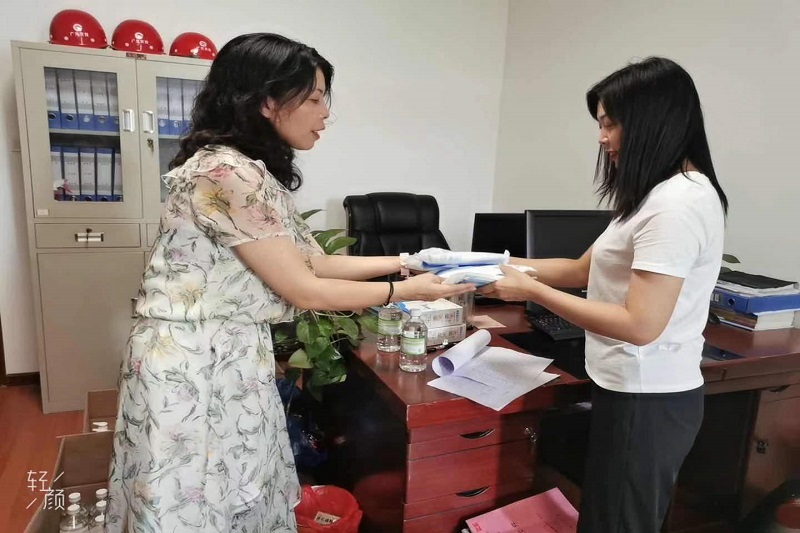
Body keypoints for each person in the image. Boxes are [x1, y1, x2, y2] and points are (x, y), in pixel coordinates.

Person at [105, 33, 474, 533]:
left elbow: (314, 263)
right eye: (315, 98)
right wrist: (406, 290)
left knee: (236, 486)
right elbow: (305, 290)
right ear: (267, 100)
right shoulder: (225, 172)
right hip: (193, 360)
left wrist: (410, 262)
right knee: (193, 499)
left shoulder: (251, 173)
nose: (326, 113)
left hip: (229, 351)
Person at [480, 57, 728, 533]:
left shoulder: (677, 205)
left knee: (618, 522)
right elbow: (580, 269)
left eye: (610, 124)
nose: (601, 138)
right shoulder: (653, 196)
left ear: (651, 121)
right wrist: (492, 264)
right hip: (629, 388)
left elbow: (640, 325)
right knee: (609, 512)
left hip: (647, 396)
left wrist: (530, 290)